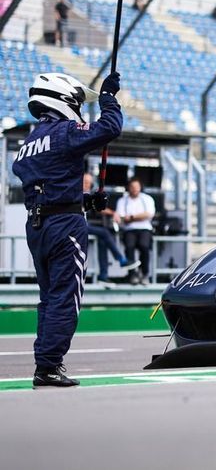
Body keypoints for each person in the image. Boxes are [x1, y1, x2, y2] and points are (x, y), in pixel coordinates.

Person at [12, 71, 123, 387]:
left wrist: (86, 200)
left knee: (49, 298)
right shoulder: (64, 132)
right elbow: (110, 127)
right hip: (64, 227)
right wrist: (108, 99)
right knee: (65, 296)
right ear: (63, 100)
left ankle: (44, 364)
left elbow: (47, 185)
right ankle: (48, 366)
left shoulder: (29, 143)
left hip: (37, 225)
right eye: (76, 101)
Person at [82, 173, 136, 283]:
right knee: (104, 232)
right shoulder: (77, 193)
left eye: (89, 182)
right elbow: (96, 207)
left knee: (103, 240)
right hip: (75, 225)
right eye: (85, 182)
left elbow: (97, 206)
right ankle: (121, 259)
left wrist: (112, 212)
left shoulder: (88, 194)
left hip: (84, 224)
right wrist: (113, 212)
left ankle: (103, 275)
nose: (87, 184)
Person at [116, 178, 155, 285]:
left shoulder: (147, 198)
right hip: (129, 230)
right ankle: (132, 274)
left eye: (137, 187)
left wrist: (132, 217)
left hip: (145, 229)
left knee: (144, 247)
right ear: (128, 188)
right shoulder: (122, 200)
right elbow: (122, 217)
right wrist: (139, 217)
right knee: (129, 247)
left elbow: (149, 214)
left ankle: (144, 273)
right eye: (132, 187)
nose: (135, 189)